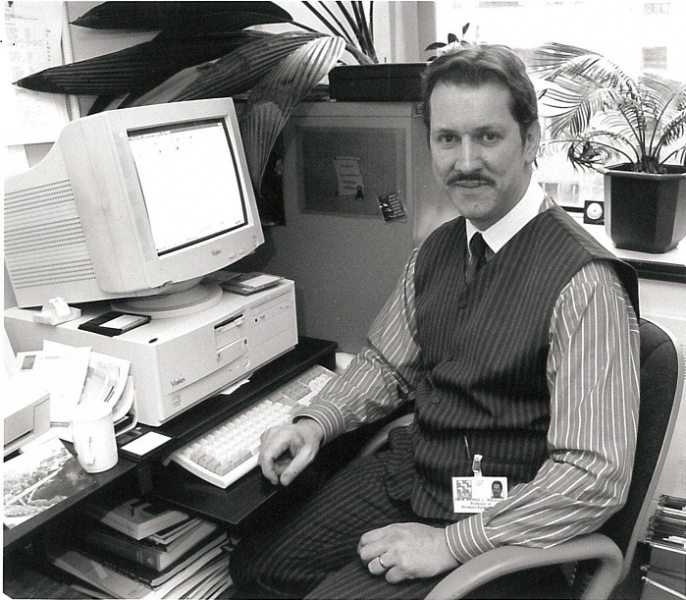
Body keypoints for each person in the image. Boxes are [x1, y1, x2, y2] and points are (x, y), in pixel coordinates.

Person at [230, 43, 640, 600]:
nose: (465, 162)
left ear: (530, 140)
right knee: (257, 566)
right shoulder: (438, 249)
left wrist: (451, 544)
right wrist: (316, 422)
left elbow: (594, 476)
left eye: (488, 137)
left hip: (501, 516)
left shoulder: (585, 283)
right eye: (448, 139)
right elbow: (386, 365)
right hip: (418, 473)